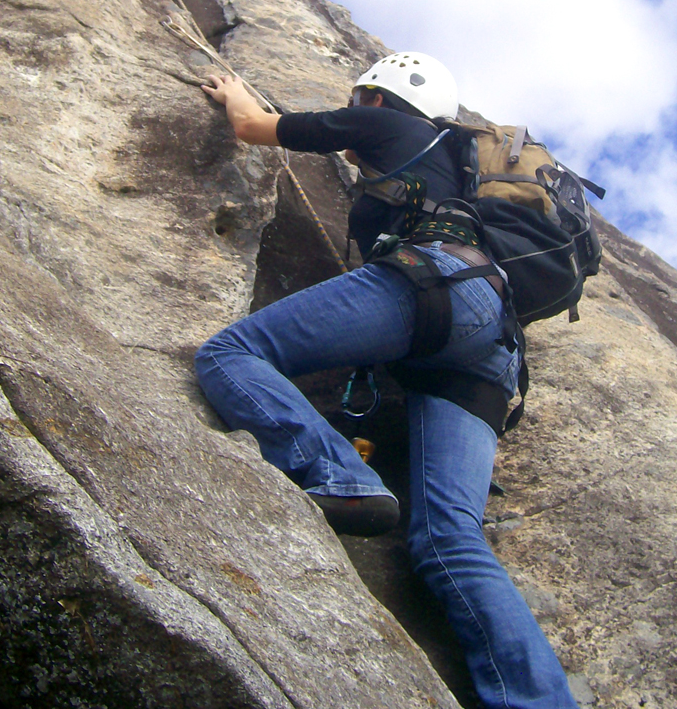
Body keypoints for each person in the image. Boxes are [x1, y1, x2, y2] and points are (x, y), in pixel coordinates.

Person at [196, 54, 578, 709]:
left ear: (378, 96)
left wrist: (234, 92)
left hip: (436, 285)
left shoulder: (387, 128)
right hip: (493, 348)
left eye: (360, 97)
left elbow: (256, 127)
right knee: (449, 537)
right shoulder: (451, 163)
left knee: (231, 353)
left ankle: (342, 478)